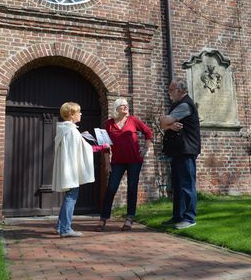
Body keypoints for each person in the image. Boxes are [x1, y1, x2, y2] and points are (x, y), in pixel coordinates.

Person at [96, 97, 153, 232]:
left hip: (134, 160)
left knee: (132, 188)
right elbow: (105, 145)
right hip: (117, 162)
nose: (126, 107)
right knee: (111, 189)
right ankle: (103, 219)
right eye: (122, 105)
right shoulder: (108, 124)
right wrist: (107, 164)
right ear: (116, 108)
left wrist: (145, 148)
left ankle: (129, 219)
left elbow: (148, 132)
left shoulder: (133, 120)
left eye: (126, 105)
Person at [52, 102, 109, 238]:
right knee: (71, 198)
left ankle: (60, 226)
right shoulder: (71, 131)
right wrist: (102, 147)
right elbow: (83, 150)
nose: (81, 114)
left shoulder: (65, 129)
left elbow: (75, 148)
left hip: (67, 168)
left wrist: (82, 138)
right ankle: (65, 229)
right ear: (71, 115)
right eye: (79, 112)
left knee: (68, 197)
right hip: (71, 170)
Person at [159, 77, 201, 229]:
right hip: (178, 150)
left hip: (186, 149)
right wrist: (168, 125)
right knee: (177, 185)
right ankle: (178, 216)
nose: (169, 92)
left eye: (171, 89)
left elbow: (164, 121)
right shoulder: (177, 105)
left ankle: (189, 218)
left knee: (187, 185)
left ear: (180, 90)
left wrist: (165, 122)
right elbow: (163, 123)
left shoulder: (185, 105)